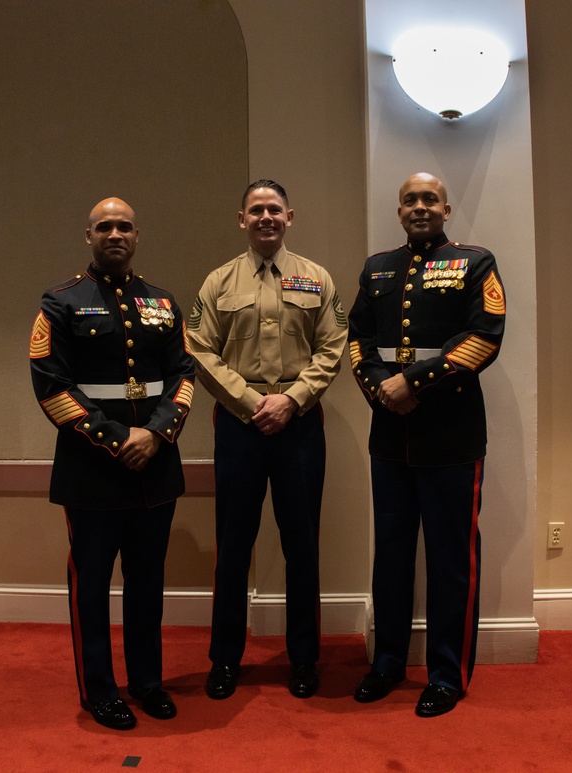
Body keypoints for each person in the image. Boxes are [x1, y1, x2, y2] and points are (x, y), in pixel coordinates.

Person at [29, 197, 195, 731]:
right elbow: (52, 387)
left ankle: (148, 682)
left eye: (124, 226)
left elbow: (183, 377)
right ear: (89, 236)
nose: (115, 233)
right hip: (92, 472)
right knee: (92, 587)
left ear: (137, 235)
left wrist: (157, 433)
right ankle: (98, 690)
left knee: (148, 585)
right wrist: (119, 439)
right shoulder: (60, 302)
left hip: (155, 470)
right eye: (105, 226)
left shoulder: (164, 303)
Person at [347, 172, 505, 717]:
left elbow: (485, 337)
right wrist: (381, 393)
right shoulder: (377, 268)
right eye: (410, 199)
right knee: (390, 557)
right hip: (390, 435)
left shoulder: (475, 262)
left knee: (451, 560)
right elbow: (357, 340)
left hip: (452, 436)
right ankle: (386, 663)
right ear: (399, 211)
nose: (419, 207)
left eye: (429, 199)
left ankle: (447, 673)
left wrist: (412, 383)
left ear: (446, 208)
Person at [187, 180, 347, 700]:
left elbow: (332, 347)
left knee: (303, 546)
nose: (266, 218)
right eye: (256, 210)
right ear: (241, 219)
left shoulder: (316, 278)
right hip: (239, 425)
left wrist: (292, 400)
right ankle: (225, 660)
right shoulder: (218, 281)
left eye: (274, 210)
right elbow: (200, 350)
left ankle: (304, 659)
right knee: (233, 547)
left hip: (299, 425)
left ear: (290, 216)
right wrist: (250, 402)